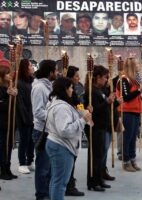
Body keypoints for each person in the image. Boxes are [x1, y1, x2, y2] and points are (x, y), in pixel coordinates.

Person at [45, 77, 91, 200]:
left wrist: (83, 113)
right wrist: (82, 121)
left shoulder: (61, 103)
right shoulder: (62, 107)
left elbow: (77, 110)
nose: (72, 90)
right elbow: (64, 130)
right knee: (60, 182)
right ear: (65, 89)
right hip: (61, 146)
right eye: (70, 87)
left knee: (56, 180)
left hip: (59, 145)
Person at [31, 60, 58, 200]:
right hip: (41, 131)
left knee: (49, 168)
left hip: (50, 131)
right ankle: (42, 195)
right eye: (56, 70)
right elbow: (37, 112)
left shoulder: (48, 86)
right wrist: (54, 115)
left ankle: (47, 193)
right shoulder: (39, 88)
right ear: (50, 72)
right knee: (42, 167)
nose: (57, 72)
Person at [84, 65, 112, 191]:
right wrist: (106, 102)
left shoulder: (100, 90)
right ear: (98, 77)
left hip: (102, 126)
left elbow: (105, 104)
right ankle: (93, 182)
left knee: (100, 155)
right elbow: (93, 111)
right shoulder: (91, 92)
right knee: (95, 156)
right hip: (95, 128)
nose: (106, 80)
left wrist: (113, 101)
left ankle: (99, 179)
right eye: (105, 77)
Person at [116, 57, 142, 172]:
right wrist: (139, 91)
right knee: (127, 138)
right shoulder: (124, 79)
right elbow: (126, 97)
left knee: (133, 138)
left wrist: (140, 90)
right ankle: (126, 161)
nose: (139, 65)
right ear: (132, 65)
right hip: (127, 111)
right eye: (137, 63)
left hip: (135, 111)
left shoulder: (135, 79)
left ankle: (133, 159)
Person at [64, 66, 85, 196]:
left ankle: (70, 182)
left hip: (76, 127)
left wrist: (83, 111)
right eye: (76, 76)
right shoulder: (66, 94)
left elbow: (78, 104)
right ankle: (68, 185)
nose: (78, 78)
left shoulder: (74, 92)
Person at [0, 57, 18, 180]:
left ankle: (8, 168)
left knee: (9, 146)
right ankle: (3, 170)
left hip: (11, 122)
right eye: (7, 74)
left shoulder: (10, 86)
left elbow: (15, 106)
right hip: (1, 123)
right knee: (2, 147)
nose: (9, 75)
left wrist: (14, 95)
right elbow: (2, 106)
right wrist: (8, 96)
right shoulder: (2, 89)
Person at [16, 59, 35, 174]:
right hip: (24, 117)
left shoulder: (32, 81)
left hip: (33, 116)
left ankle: (30, 161)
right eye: (30, 65)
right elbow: (20, 103)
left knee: (31, 141)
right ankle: (22, 163)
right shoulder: (19, 83)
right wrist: (26, 118)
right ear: (25, 68)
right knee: (24, 140)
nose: (32, 67)